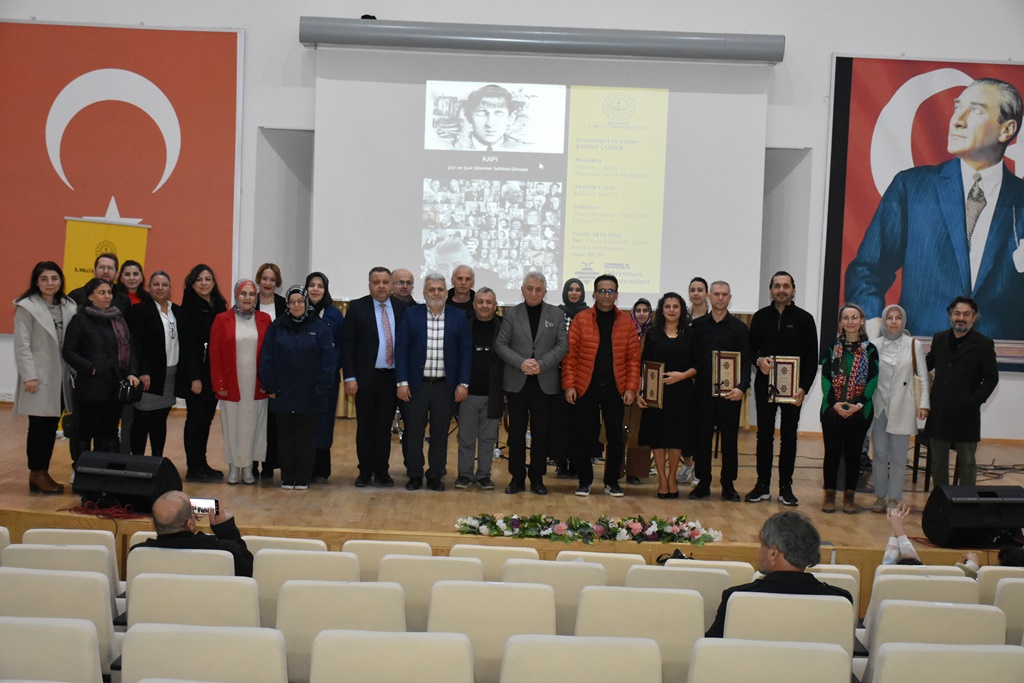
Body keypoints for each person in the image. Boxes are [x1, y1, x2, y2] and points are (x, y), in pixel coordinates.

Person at [846, 78, 1024, 341]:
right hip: (920, 352)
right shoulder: (912, 187)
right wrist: (872, 320)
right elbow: (868, 270)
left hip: (1002, 358)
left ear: (1006, 129)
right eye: (957, 107)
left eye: (975, 110)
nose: (957, 121)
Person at [704, 511, 853, 638]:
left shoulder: (737, 599)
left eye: (762, 544)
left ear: (773, 553)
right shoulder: (840, 600)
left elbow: (711, 650)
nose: (759, 550)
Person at [562, 275, 640, 497]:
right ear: (595, 294)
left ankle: (611, 481)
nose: (606, 295)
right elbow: (570, 357)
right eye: (602, 291)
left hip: (616, 387)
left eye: (610, 291)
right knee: (584, 435)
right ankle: (584, 480)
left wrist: (631, 388)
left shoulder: (626, 322)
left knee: (615, 437)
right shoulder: (581, 319)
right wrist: (569, 385)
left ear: (617, 294)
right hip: (585, 386)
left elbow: (633, 359)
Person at [747, 271, 819, 505]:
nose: (781, 290)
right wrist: (758, 360)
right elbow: (750, 349)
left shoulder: (805, 319)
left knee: (789, 437)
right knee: (764, 435)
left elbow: (812, 357)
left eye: (786, 286)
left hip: (793, 390)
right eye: (777, 286)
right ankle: (762, 485)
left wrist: (804, 388)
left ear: (793, 290)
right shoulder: (760, 317)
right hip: (764, 386)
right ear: (771, 290)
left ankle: (786, 487)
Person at [395, 274, 472, 491]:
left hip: (445, 387)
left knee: (440, 433)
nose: (436, 293)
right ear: (424, 293)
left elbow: (466, 353)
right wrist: (402, 382)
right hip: (416, 386)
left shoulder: (458, 316)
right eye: (431, 289)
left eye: (440, 289)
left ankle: (435, 475)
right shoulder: (411, 315)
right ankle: (415, 474)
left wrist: (463, 383)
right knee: (414, 432)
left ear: (446, 292)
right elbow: (401, 351)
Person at [495, 271, 569, 495]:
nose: (534, 293)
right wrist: (521, 363)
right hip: (517, 381)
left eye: (538, 289)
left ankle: (537, 478)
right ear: (522, 290)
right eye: (529, 289)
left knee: (541, 433)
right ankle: (516, 478)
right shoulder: (511, 313)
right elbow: (501, 344)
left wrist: (542, 364)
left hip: (544, 382)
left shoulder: (556, 314)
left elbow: (562, 345)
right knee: (516, 433)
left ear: (545, 291)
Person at [259, 285, 336, 490]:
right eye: (292, 302)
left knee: (306, 438)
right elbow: (267, 358)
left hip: (311, 395)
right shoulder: (277, 327)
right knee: (285, 437)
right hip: (282, 394)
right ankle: (287, 476)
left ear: (306, 302)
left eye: (300, 301)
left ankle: (302, 477)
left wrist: (321, 389)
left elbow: (328, 362)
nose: (296, 305)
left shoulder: (320, 328)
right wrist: (270, 386)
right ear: (287, 304)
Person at [341, 267, 410, 487]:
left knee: (383, 427)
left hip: (391, 378)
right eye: (376, 282)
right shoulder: (357, 307)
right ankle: (364, 471)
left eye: (385, 282)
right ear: (369, 285)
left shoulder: (402, 308)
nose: (381, 286)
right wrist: (350, 377)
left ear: (391, 285)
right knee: (366, 426)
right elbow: (348, 345)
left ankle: (382, 471)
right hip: (365, 378)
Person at [14, 261, 77, 493]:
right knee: (39, 426)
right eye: (44, 279)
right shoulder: (26, 307)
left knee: (50, 426)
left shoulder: (69, 305)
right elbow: (22, 345)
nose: (50, 283)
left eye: (54, 278)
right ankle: (37, 472)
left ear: (60, 280)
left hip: (62, 378)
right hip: (39, 378)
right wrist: (29, 376)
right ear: (36, 282)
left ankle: (41, 473)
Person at [62, 278, 140, 463]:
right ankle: (82, 469)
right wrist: (91, 368)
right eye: (102, 292)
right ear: (90, 296)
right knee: (85, 431)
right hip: (90, 388)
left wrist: (132, 372)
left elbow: (130, 348)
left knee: (110, 431)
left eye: (109, 292)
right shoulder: (80, 320)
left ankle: (109, 470)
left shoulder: (117, 318)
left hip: (114, 386)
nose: (107, 296)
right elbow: (68, 352)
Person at [925, 296, 999, 487]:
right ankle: (940, 498)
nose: (961, 318)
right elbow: (926, 364)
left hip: (966, 413)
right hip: (939, 411)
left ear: (974, 318)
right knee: (938, 462)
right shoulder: (939, 339)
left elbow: (991, 378)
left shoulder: (984, 344)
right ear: (950, 316)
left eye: (966, 314)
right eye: (957, 313)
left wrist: (973, 401)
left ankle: (967, 500)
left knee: (967, 463)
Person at [691, 281, 752, 502]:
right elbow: (692, 358)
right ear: (709, 296)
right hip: (702, 392)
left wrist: (741, 388)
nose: (720, 298)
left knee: (729, 440)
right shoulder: (697, 326)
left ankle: (728, 485)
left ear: (730, 298)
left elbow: (746, 362)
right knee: (702, 439)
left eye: (724, 294)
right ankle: (703, 483)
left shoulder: (739, 328)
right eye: (716, 294)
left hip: (730, 394)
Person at [869, 305, 931, 512]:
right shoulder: (874, 345)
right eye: (889, 317)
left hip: (902, 406)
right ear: (884, 321)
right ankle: (880, 495)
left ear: (903, 321)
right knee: (879, 453)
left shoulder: (913, 345)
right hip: (879, 406)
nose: (894, 321)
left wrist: (924, 404)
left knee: (898, 455)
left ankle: (893, 497)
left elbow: (923, 376)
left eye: (898, 317)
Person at [209, 279, 271, 485]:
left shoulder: (264, 319)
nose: (247, 298)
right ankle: (234, 466)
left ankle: (248, 467)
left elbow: (270, 353)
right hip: (231, 384)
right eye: (243, 294)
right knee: (232, 426)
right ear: (236, 295)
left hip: (256, 385)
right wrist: (219, 384)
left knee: (253, 427)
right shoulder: (222, 319)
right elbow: (215, 354)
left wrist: (268, 381)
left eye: (251, 294)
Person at [636, 292, 697, 499]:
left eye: (676, 306)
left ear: (682, 310)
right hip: (656, 394)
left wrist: (682, 376)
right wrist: (641, 392)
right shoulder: (653, 334)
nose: (671, 310)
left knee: (676, 438)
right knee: (658, 438)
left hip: (682, 393)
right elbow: (643, 364)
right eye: (667, 306)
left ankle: (672, 478)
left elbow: (698, 364)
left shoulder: (690, 334)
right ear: (662, 310)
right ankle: (662, 480)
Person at [820, 303, 879, 514]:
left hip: (860, 411)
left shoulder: (870, 350)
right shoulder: (832, 348)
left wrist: (858, 404)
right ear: (841, 323)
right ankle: (829, 495)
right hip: (832, 410)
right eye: (846, 318)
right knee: (832, 454)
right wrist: (834, 402)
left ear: (861, 321)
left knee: (854, 455)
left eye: (855, 317)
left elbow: (873, 379)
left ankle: (849, 496)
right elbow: (825, 377)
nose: (850, 321)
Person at [176, 264, 228, 483]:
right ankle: (193, 468)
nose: (204, 283)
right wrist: (194, 377)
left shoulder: (220, 306)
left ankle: (203, 463)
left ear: (214, 283)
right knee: (195, 420)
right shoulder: (187, 309)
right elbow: (187, 347)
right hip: (196, 374)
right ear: (192, 284)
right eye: (199, 280)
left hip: (213, 373)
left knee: (206, 420)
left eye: (208, 279)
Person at [132, 491, 253, 577]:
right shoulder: (226, 550)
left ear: (153, 524)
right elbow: (248, 574)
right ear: (190, 524)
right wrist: (227, 530)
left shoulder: (137, 553)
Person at [127, 271, 180, 458]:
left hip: (170, 375)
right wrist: (143, 371)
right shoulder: (139, 311)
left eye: (164, 285)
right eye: (156, 284)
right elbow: (136, 344)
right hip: (148, 376)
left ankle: (157, 460)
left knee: (160, 419)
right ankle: (137, 460)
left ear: (170, 288)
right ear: (149, 288)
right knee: (142, 419)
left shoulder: (177, 311)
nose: (160, 288)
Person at [455, 287, 503, 490]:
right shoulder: (463, 325)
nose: (484, 306)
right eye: (480, 302)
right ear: (474, 304)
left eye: (489, 302)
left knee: (488, 438)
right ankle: (465, 475)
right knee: (465, 438)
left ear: (495, 305)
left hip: (493, 394)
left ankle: (484, 475)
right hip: (467, 393)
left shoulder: (504, 327)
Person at [305, 271, 345, 483]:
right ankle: (303, 467)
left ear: (325, 289)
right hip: (302, 380)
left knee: (324, 423)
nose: (315, 289)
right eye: (312, 285)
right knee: (304, 423)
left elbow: (340, 347)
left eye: (320, 286)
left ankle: (321, 469)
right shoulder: (297, 310)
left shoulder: (335, 315)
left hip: (327, 380)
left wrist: (328, 370)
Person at [551, 277, 588, 479]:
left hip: (583, 374)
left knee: (579, 421)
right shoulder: (557, 313)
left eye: (577, 290)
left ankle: (576, 461)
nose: (574, 293)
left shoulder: (589, 314)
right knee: (560, 421)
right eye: (571, 290)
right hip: (558, 374)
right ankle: (561, 461)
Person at [254, 262, 286, 480]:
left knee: (273, 421)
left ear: (277, 283)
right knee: (254, 420)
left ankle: (268, 465)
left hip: (277, 369)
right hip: (250, 367)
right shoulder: (248, 301)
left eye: (272, 280)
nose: (268, 283)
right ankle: (251, 464)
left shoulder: (284, 305)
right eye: (264, 279)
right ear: (259, 280)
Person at [679, 277, 709, 486]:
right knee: (685, 425)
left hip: (706, 381)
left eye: (700, 290)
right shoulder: (683, 319)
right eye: (692, 290)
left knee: (702, 426)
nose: (696, 293)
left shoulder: (713, 318)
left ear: (706, 293)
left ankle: (699, 468)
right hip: (685, 381)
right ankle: (687, 464)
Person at [452, 84, 525, 151]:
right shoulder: (454, 147)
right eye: (481, 113)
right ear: (469, 116)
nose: (490, 124)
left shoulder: (522, 149)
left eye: (499, 114)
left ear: (511, 118)